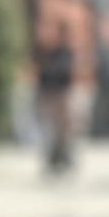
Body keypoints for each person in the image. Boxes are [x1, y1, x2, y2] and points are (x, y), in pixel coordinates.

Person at [35, 20, 76, 173]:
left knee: (63, 130)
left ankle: (64, 158)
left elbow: (66, 75)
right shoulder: (50, 53)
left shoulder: (67, 53)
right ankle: (53, 159)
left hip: (62, 95)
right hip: (51, 95)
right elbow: (43, 76)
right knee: (51, 129)